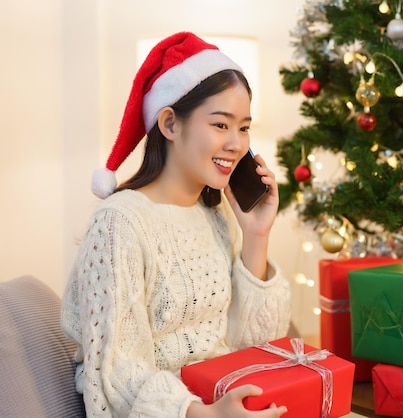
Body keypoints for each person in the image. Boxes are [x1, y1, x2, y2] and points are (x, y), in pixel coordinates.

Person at [61, 32, 291, 417]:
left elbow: (254, 347)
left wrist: (257, 235)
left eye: (244, 127)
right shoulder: (120, 223)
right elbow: (119, 372)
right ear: (169, 123)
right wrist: (207, 413)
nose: (236, 144)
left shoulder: (216, 219)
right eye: (221, 125)